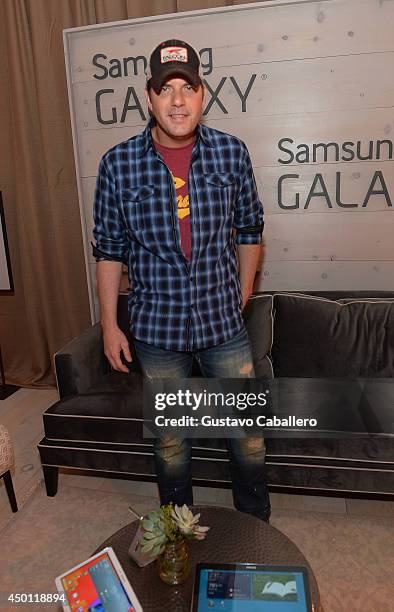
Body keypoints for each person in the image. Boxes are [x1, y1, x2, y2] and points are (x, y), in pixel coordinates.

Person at [92, 39, 271, 521]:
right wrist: (110, 325)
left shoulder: (232, 155)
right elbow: (109, 251)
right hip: (156, 331)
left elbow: (251, 228)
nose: (176, 100)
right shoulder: (117, 164)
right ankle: (178, 531)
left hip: (223, 325)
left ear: (202, 94)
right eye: (164, 88)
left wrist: (245, 289)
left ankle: (256, 526)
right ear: (148, 98)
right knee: (171, 444)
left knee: (248, 436)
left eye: (186, 87)